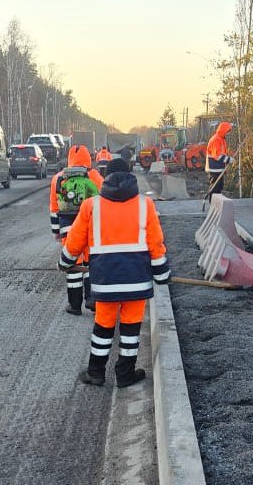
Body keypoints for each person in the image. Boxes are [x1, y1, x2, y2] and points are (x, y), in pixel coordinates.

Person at [59, 160, 171, 387]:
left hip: (105, 281)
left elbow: (75, 241)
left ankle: (96, 372)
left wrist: (65, 262)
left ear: (105, 177)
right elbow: (155, 242)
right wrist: (161, 274)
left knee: (103, 326)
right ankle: (125, 374)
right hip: (136, 281)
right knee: (131, 328)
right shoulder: (145, 205)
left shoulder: (92, 205)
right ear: (129, 175)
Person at [49, 145, 104, 315]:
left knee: (72, 263)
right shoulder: (94, 176)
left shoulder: (58, 178)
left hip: (68, 225)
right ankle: (91, 299)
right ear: (89, 159)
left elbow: (54, 208)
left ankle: (74, 305)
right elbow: (103, 203)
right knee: (90, 261)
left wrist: (56, 231)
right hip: (90, 224)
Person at [205, 121, 234, 194]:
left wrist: (228, 158)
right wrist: (228, 159)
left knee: (219, 188)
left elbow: (222, 153)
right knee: (215, 189)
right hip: (214, 169)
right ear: (224, 131)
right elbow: (217, 156)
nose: (228, 134)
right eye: (228, 132)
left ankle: (216, 204)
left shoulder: (221, 139)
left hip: (218, 168)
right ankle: (213, 204)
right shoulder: (216, 139)